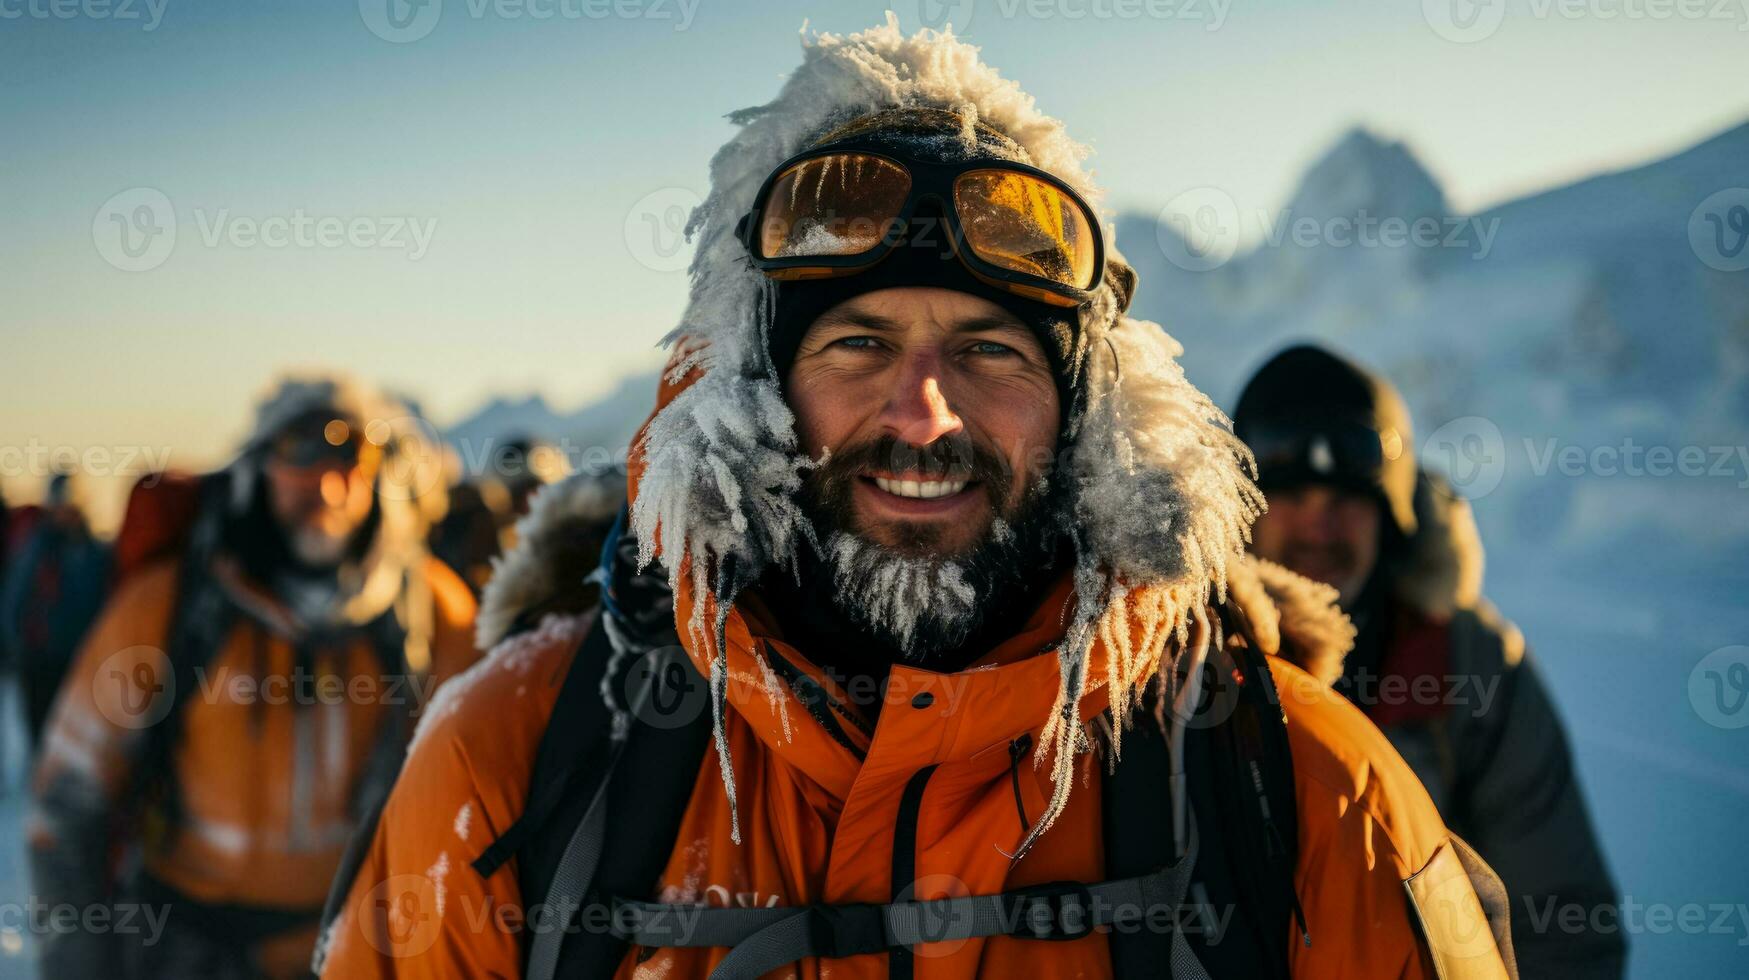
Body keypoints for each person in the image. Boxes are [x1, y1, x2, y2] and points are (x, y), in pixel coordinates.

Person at [318, 23, 1514, 979]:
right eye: (857, 341)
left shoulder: (1308, 794)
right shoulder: (513, 760)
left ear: (1087, 410)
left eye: (992, 349)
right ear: (751, 388)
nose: (925, 413)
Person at [30, 375, 481, 979]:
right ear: (258, 467)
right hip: (185, 949)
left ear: (380, 472)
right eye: (299, 453)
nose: (325, 483)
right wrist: (78, 962)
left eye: (351, 454)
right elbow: (67, 801)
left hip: (355, 952)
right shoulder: (169, 606)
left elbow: (481, 803)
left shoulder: (435, 612)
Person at [1235, 343, 1623, 978]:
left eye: (1348, 498)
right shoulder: (1185, 656)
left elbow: (1562, 925)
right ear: (1239, 511)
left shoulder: (1466, 664)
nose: (1318, 524)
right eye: (1290, 492)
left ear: (1393, 520)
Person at [0, 472, 112, 751]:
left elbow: (99, 599)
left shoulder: (91, 552)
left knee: (74, 733)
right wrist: (16, 642)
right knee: (38, 730)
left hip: (79, 657)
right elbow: (16, 595)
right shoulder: (36, 547)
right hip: (38, 656)